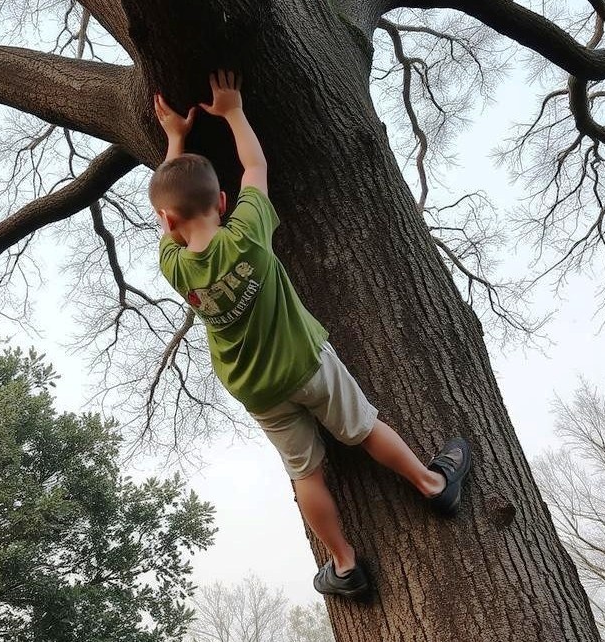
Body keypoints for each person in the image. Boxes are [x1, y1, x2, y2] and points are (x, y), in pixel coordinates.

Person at [150, 70, 473, 599]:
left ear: (168, 221)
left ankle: (344, 565)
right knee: (364, 428)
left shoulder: (174, 267)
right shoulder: (248, 234)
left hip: (257, 390)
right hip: (305, 360)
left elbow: (167, 207)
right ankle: (433, 485)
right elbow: (256, 166)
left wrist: (174, 139)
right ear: (224, 203)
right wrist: (232, 111)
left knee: (306, 475)